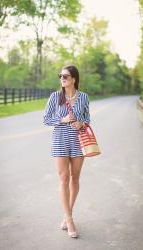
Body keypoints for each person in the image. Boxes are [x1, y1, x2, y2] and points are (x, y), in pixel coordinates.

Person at [43, 65, 90, 238]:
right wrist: (62, 119)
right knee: (63, 179)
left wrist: (82, 123)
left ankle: (66, 214)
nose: (62, 78)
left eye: (66, 76)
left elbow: (87, 117)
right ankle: (69, 219)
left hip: (78, 141)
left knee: (75, 178)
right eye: (60, 76)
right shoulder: (55, 97)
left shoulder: (84, 97)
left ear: (74, 79)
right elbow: (46, 119)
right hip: (60, 141)